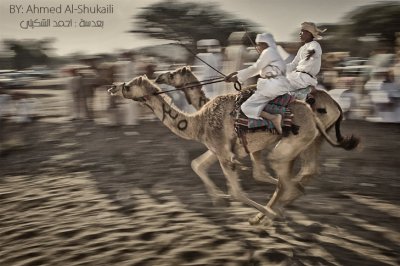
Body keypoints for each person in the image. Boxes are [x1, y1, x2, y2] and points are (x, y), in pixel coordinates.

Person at [225, 33, 289, 134]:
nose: (257, 47)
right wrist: (236, 74)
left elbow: (255, 68)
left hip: (272, 85)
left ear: (266, 44)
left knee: (245, 107)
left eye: (259, 44)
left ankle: (273, 118)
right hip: (273, 84)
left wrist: (237, 77)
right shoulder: (271, 52)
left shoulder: (268, 52)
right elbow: (256, 70)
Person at [286, 22, 326, 100]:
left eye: (302, 31)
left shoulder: (315, 44)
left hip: (305, 79)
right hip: (297, 76)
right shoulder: (301, 48)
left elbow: (314, 50)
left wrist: (312, 52)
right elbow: (293, 64)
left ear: (309, 33)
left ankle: (305, 94)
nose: (299, 34)